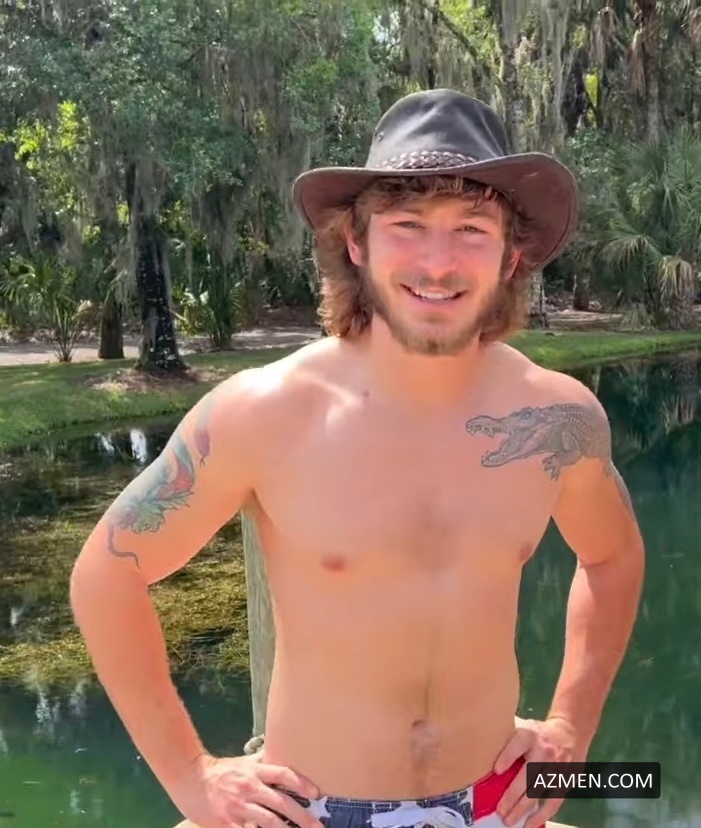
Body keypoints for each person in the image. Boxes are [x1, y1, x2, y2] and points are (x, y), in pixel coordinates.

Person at [70, 89, 645, 828]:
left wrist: (569, 730)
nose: (438, 262)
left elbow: (613, 558)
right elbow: (106, 574)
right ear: (356, 243)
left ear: (510, 255)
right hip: (309, 811)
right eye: (407, 225)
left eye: (471, 229)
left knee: (636, 786)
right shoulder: (265, 412)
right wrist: (192, 776)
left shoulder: (559, 420)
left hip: (495, 805)